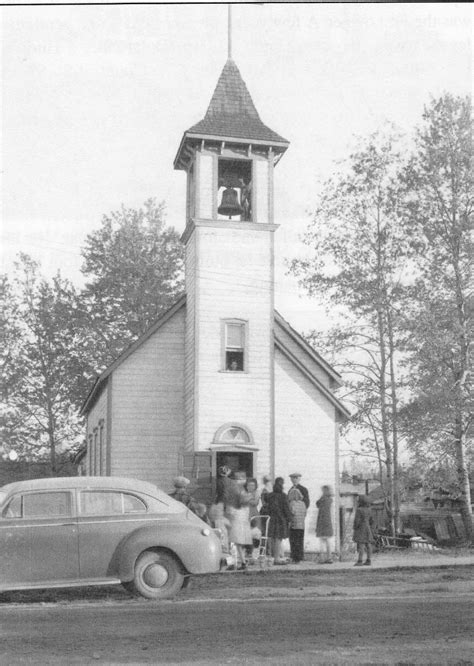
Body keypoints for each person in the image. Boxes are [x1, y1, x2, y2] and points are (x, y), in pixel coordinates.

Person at [226, 471, 253, 570]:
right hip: (243, 517)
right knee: (238, 542)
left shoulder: (235, 490)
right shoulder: (245, 490)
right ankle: (242, 561)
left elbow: (234, 505)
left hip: (236, 516)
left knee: (232, 540)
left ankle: (233, 563)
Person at [266, 477, 292, 564]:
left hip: (272, 518)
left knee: (273, 538)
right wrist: (290, 519)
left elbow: (267, 507)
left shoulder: (270, 496)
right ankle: (276, 559)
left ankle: (273, 557)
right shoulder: (283, 496)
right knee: (278, 538)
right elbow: (286, 509)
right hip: (281, 519)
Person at [353, 495, 375, 566]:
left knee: (361, 544)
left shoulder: (359, 510)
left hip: (361, 528)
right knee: (368, 544)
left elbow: (357, 521)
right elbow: (372, 521)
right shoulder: (369, 510)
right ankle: (369, 560)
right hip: (368, 528)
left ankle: (360, 561)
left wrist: (355, 527)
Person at [288, 485, 307, 563]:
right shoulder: (303, 504)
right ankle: (300, 557)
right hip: (302, 525)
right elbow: (305, 513)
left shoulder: (292, 503)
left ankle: (294, 558)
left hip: (294, 525)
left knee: (293, 542)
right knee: (300, 542)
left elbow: (292, 513)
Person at [316, 485, 334, 563]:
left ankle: (322, 558)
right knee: (327, 540)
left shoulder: (323, 500)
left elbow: (317, 504)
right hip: (328, 522)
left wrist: (321, 497)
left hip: (322, 521)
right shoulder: (330, 500)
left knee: (322, 541)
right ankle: (329, 557)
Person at [245, 477, 261, 561]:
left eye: (252, 485)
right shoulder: (245, 493)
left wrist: (246, 499)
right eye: (249, 485)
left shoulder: (256, 492)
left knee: (255, 532)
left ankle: (255, 552)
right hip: (246, 513)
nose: (250, 487)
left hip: (253, 513)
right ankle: (248, 551)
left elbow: (255, 502)